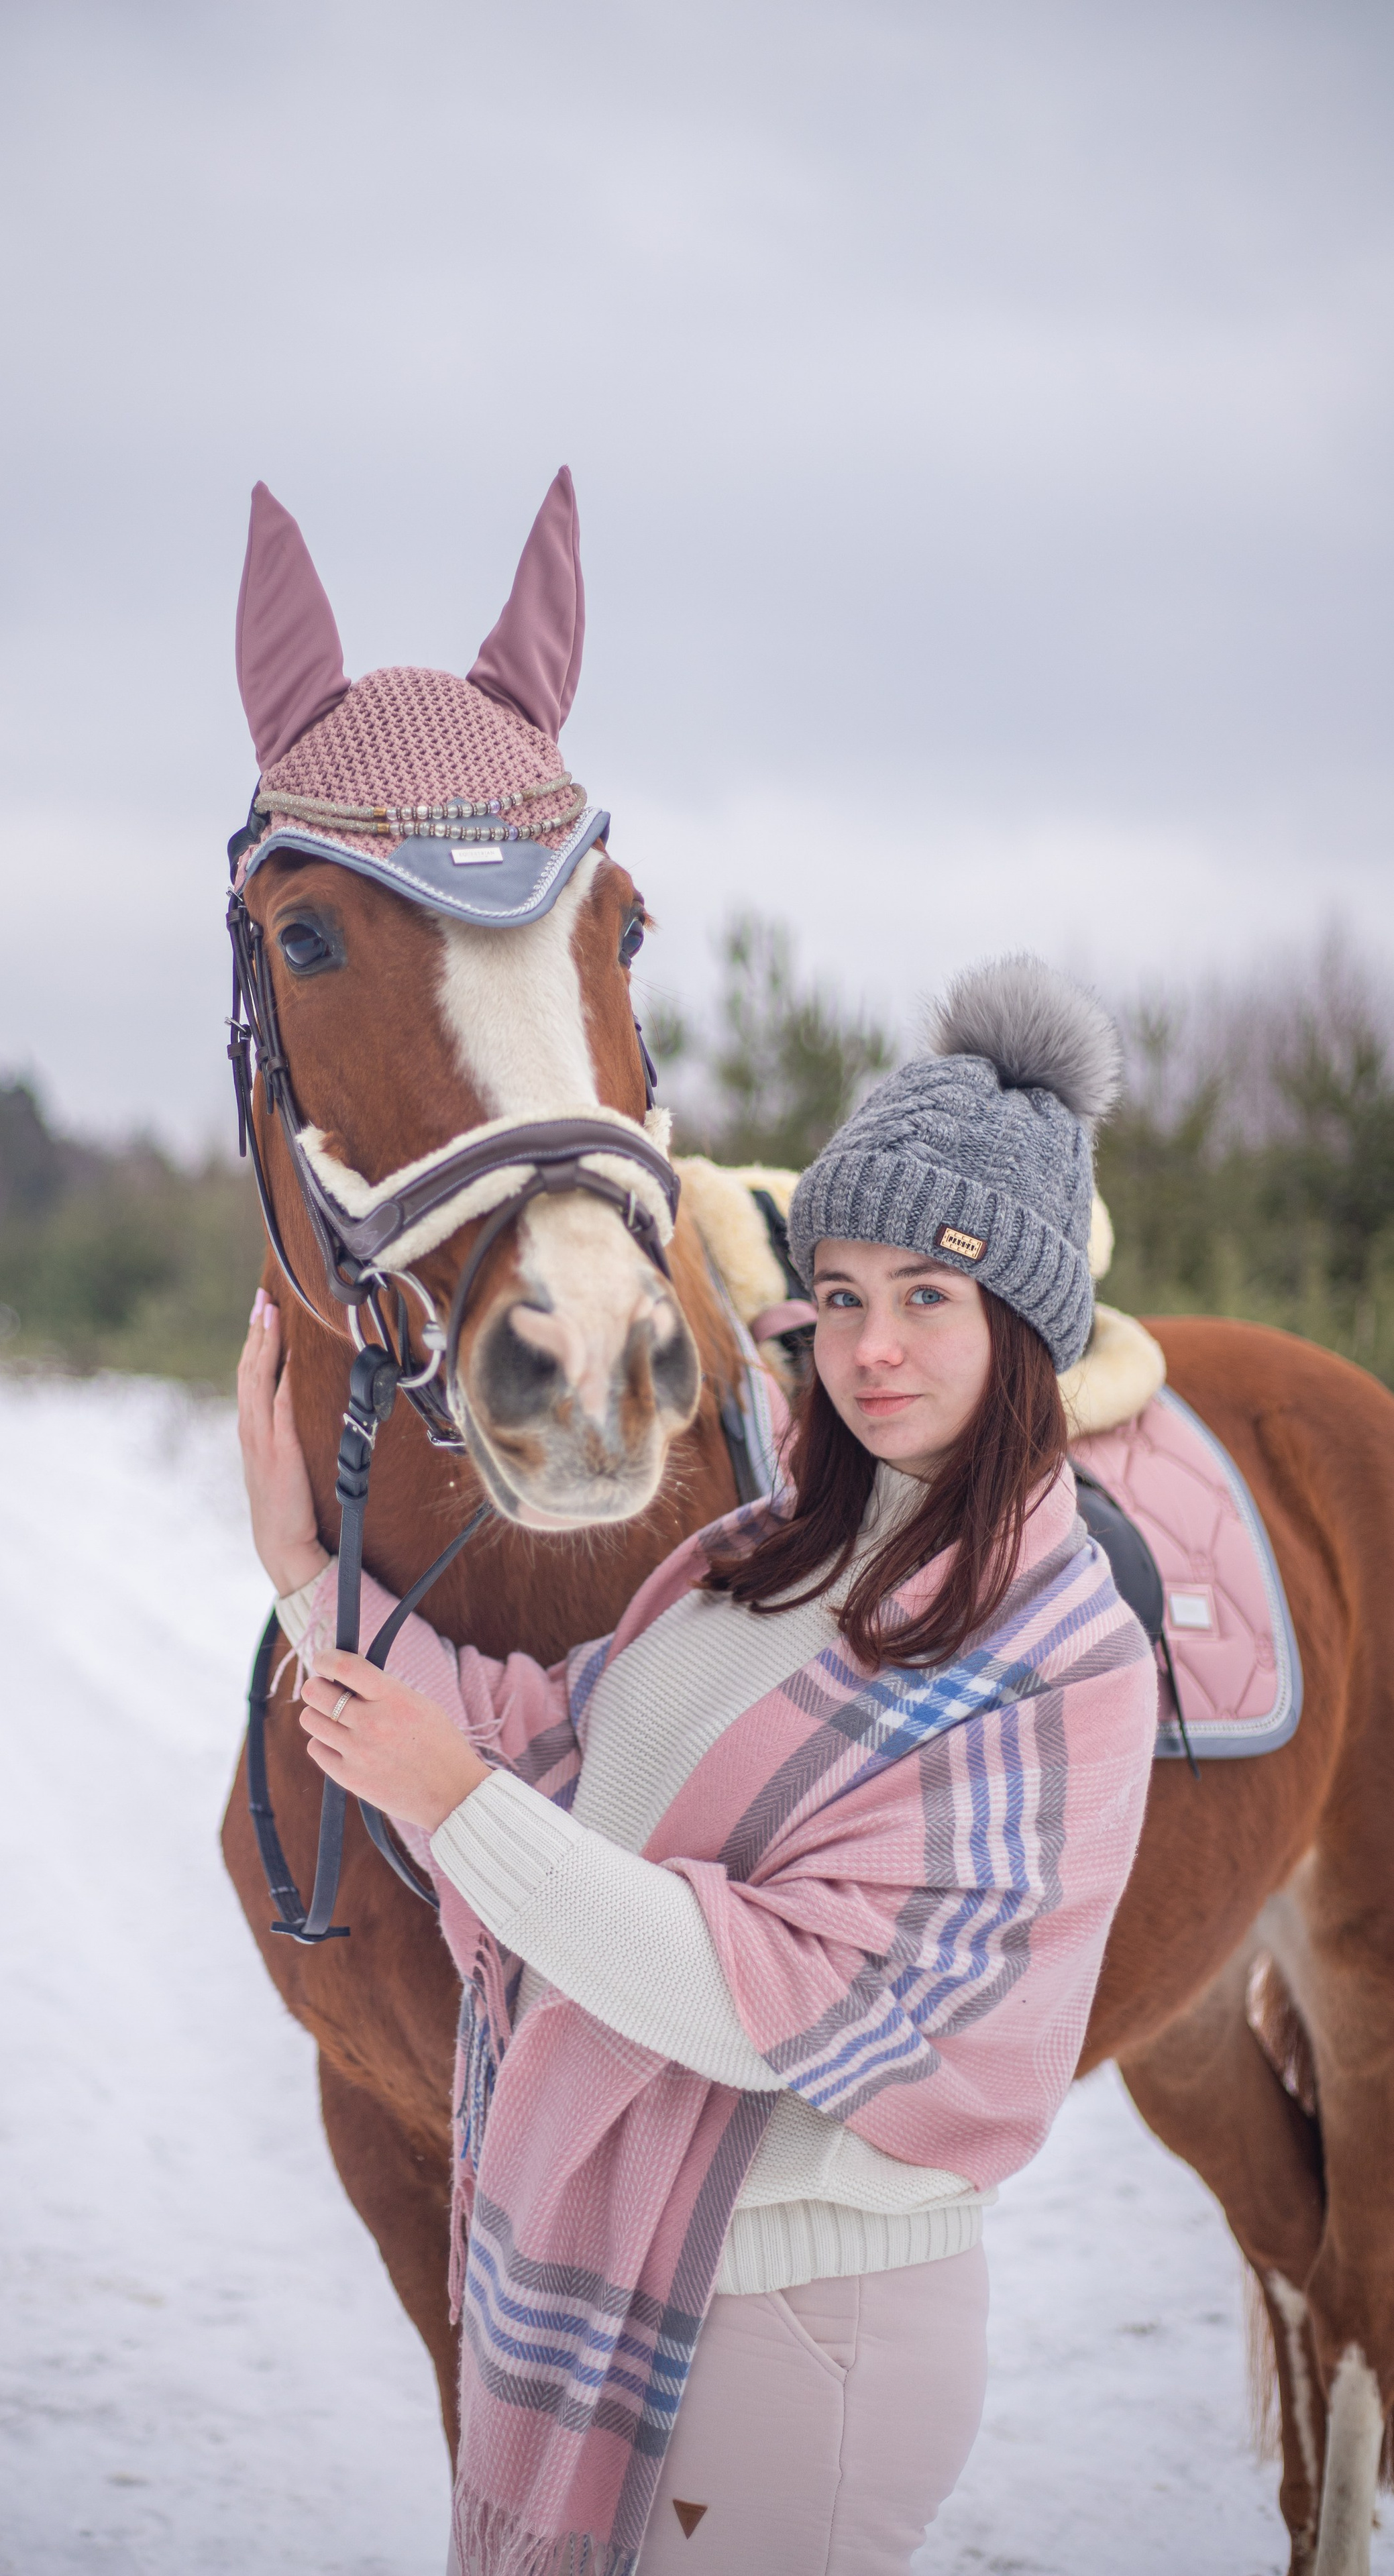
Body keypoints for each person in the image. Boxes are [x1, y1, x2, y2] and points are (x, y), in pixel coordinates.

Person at [239, 955, 1158, 2576]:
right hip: (645, 2296)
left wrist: (451, 1803)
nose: (870, 1348)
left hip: (807, 2336)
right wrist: (308, 1576)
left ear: (1020, 1325)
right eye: (841, 1297)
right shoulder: (764, 1559)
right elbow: (551, 1739)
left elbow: (772, 1996)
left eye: (927, 1298)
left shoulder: (1053, 1655)